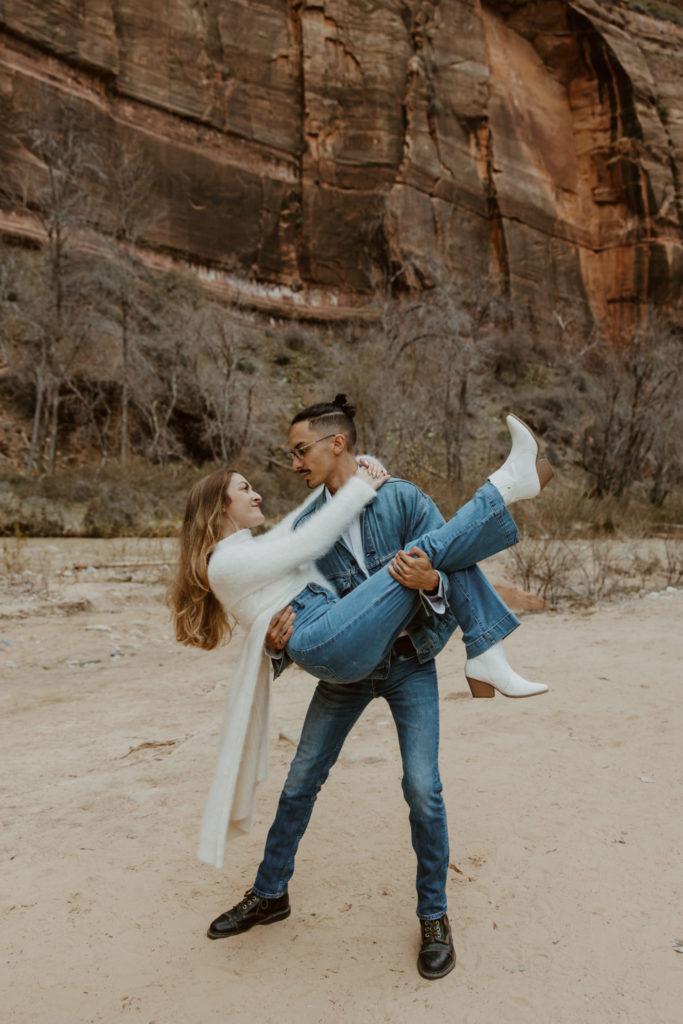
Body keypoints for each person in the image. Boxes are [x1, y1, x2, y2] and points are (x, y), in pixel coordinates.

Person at [170, 398, 552, 980]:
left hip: (408, 663)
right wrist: (274, 645)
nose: (294, 464)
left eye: (301, 450)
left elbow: (452, 569)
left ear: (336, 443)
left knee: (423, 789)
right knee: (300, 782)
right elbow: (287, 605)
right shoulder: (301, 528)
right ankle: (270, 894)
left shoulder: (399, 498)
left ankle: (433, 916)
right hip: (345, 674)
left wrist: (433, 586)